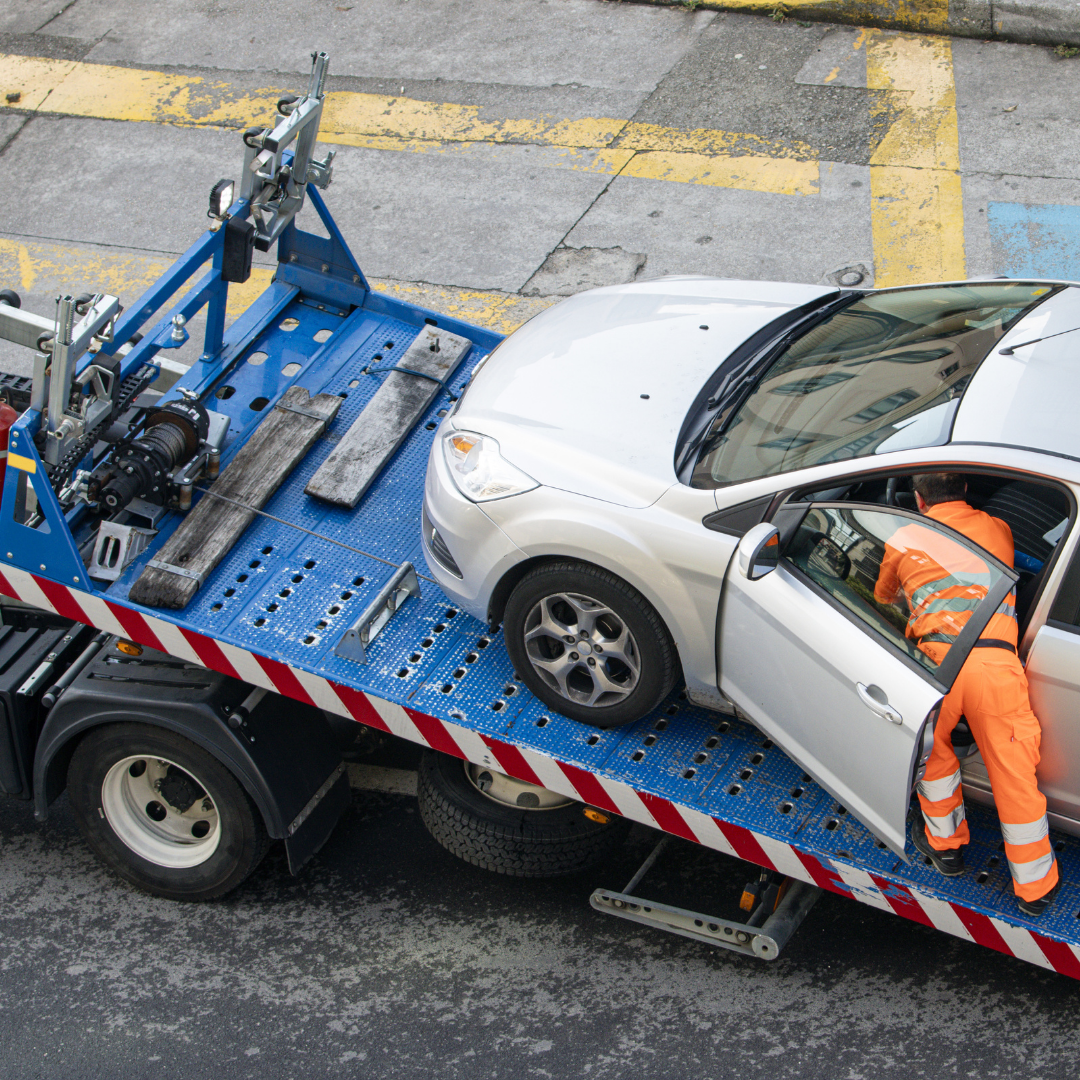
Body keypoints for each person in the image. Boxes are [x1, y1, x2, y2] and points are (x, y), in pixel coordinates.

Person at [874, 472, 1059, 916]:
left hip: (936, 666)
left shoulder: (903, 538)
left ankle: (947, 849)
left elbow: (883, 597)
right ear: (965, 492)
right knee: (1014, 774)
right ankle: (1035, 890)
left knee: (932, 758)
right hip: (995, 666)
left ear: (919, 500)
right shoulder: (999, 528)